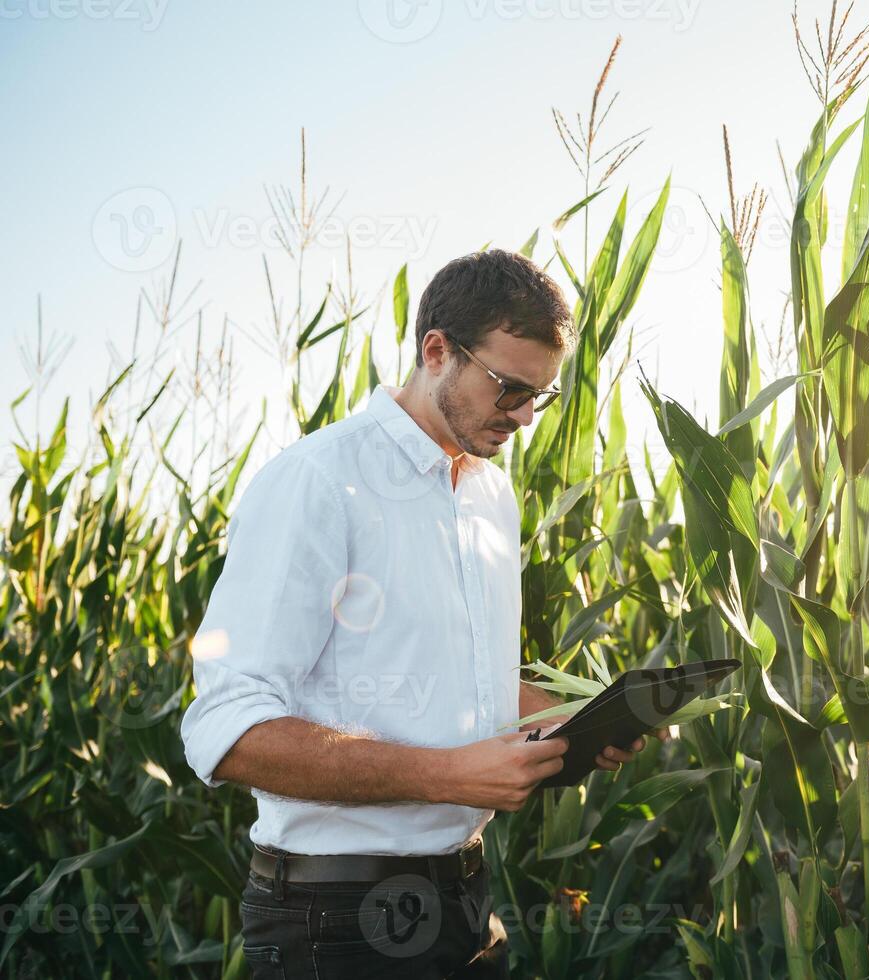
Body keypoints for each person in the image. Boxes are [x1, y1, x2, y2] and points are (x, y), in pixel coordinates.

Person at [180, 249, 642, 978]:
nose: (523, 416)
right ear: (436, 351)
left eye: (539, 397)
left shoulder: (491, 495)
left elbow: (458, 677)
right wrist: (446, 775)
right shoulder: (319, 481)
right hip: (336, 923)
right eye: (509, 389)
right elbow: (227, 730)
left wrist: (563, 725)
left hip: (464, 900)